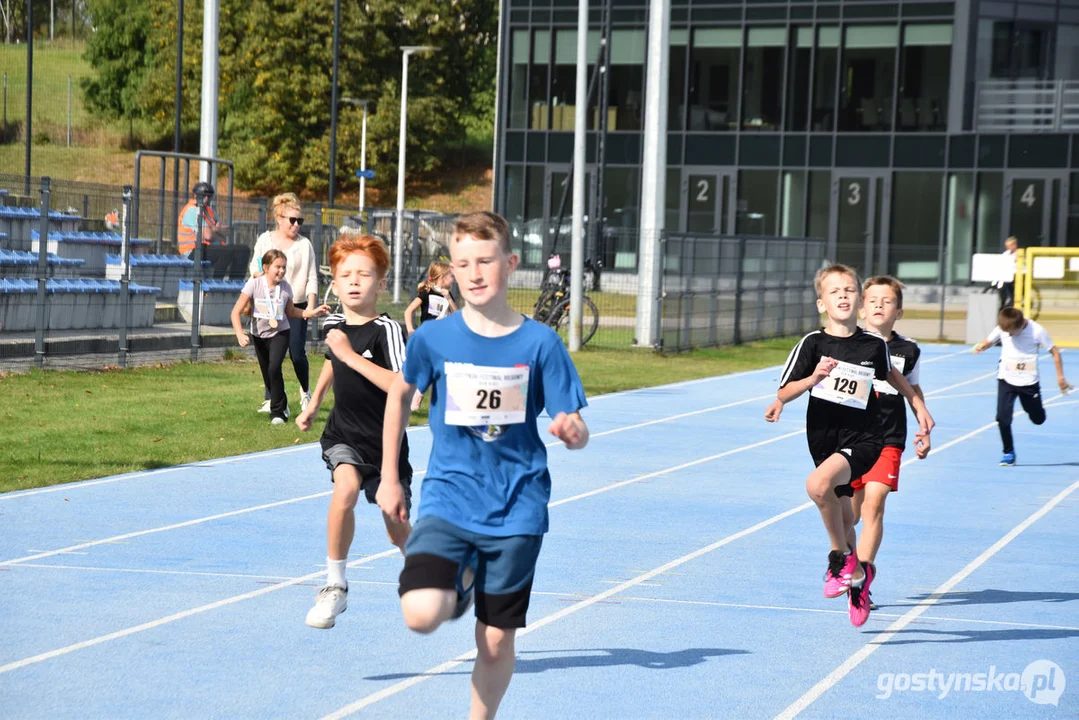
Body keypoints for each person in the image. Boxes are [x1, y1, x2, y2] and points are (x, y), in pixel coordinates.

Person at [379, 211, 589, 718]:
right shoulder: (434, 339)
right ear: (451, 269)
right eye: (463, 263)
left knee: (494, 642)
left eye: (485, 261)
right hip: (450, 500)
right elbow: (400, 396)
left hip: (517, 508)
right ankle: (462, 580)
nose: (474, 274)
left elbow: (573, 423)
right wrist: (390, 477)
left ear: (510, 263)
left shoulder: (540, 343)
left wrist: (571, 432)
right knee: (420, 614)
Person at [764, 264, 932, 627]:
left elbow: (893, 376)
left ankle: (838, 557)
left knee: (817, 485)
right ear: (821, 303)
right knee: (845, 516)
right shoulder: (812, 343)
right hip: (824, 440)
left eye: (849, 290)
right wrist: (811, 379)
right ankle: (856, 578)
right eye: (834, 291)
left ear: (858, 300)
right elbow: (784, 390)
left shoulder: (873, 345)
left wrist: (919, 407)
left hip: (867, 439)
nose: (842, 295)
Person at [294, 231, 411, 630]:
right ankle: (335, 586)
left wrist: (349, 354)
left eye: (364, 274)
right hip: (343, 433)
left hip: (385, 444)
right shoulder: (334, 323)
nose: (355, 281)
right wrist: (313, 404)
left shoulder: (388, 330)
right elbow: (332, 362)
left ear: (381, 283)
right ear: (336, 283)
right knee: (344, 489)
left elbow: (401, 386)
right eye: (346, 275)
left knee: (395, 525)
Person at [851, 276, 930, 610]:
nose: (879, 305)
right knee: (850, 515)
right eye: (873, 300)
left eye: (887, 301)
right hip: (850, 438)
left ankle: (861, 579)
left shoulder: (908, 350)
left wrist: (923, 425)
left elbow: (913, 389)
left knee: (874, 504)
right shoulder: (848, 344)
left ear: (898, 311)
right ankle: (849, 564)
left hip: (888, 437)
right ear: (861, 307)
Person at [230, 249, 329, 424]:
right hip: (258, 335)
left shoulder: (285, 287)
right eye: (278, 267)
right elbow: (235, 312)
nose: (282, 271)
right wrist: (239, 333)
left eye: (284, 267)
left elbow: (291, 311)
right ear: (266, 267)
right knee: (268, 375)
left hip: (280, 332)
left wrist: (311, 313)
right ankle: (282, 403)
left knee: (274, 367)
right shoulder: (254, 284)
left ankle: (278, 412)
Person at [249, 193, 320, 415]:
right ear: (280, 218)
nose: (296, 225)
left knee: (297, 353)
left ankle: (305, 392)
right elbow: (254, 269)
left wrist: (310, 306)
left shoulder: (304, 245)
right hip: (268, 305)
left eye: (300, 221)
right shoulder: (265, 240)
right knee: (270, 357)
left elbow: (312, 278)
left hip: (295, 305)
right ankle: (274, 399)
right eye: (292, 220)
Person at [973, 307, 1071, 466]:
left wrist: (1060, 377)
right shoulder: (1004, 328)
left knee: (1038, 419)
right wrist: (982, 346)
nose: (1009, 335)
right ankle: (1008, 452)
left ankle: (1035, 410)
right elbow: (989, 341)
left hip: (1028, 382)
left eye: (1012, 333)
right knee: (1002, 418)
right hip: (1006, 379)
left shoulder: (1037, 331)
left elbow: (1055, 352)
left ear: (1020, 325)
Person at [404, 260, 458, 411]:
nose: (453, 279)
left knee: (442, 370)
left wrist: (448, 297)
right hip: (429, 337)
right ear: (441, 278)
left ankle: (438, 400)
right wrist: (410, 330)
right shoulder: (427, 292)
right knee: (431, 367)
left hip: (445, 338)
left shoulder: (448, 295)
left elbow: (456, 314)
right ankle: (418, 392)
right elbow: (408, 311)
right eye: (450, 276)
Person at [177, 181, 250, 279]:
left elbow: (227, 231)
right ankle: (216, 284)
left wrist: (214, 229)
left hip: (209, 247)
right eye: (204, 195)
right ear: (195, 195)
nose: (206, 199)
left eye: (209, 196)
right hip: (194, 250)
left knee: (243, 250)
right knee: (225, 252)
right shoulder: (192, 210)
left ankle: (235, 284)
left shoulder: (209, 210)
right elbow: (207, 235)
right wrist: (217, 230)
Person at [992, 236, 1019, 310]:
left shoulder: (1019, 254)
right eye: (1007, 247)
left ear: (1014, 245)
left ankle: (1010, 298)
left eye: (1010, 246)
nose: (1008, 248)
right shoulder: (1006, 254)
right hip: (1006, 274)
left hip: (1016, 274)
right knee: (1001, 283)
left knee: (1007, 283)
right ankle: (1003, 301)